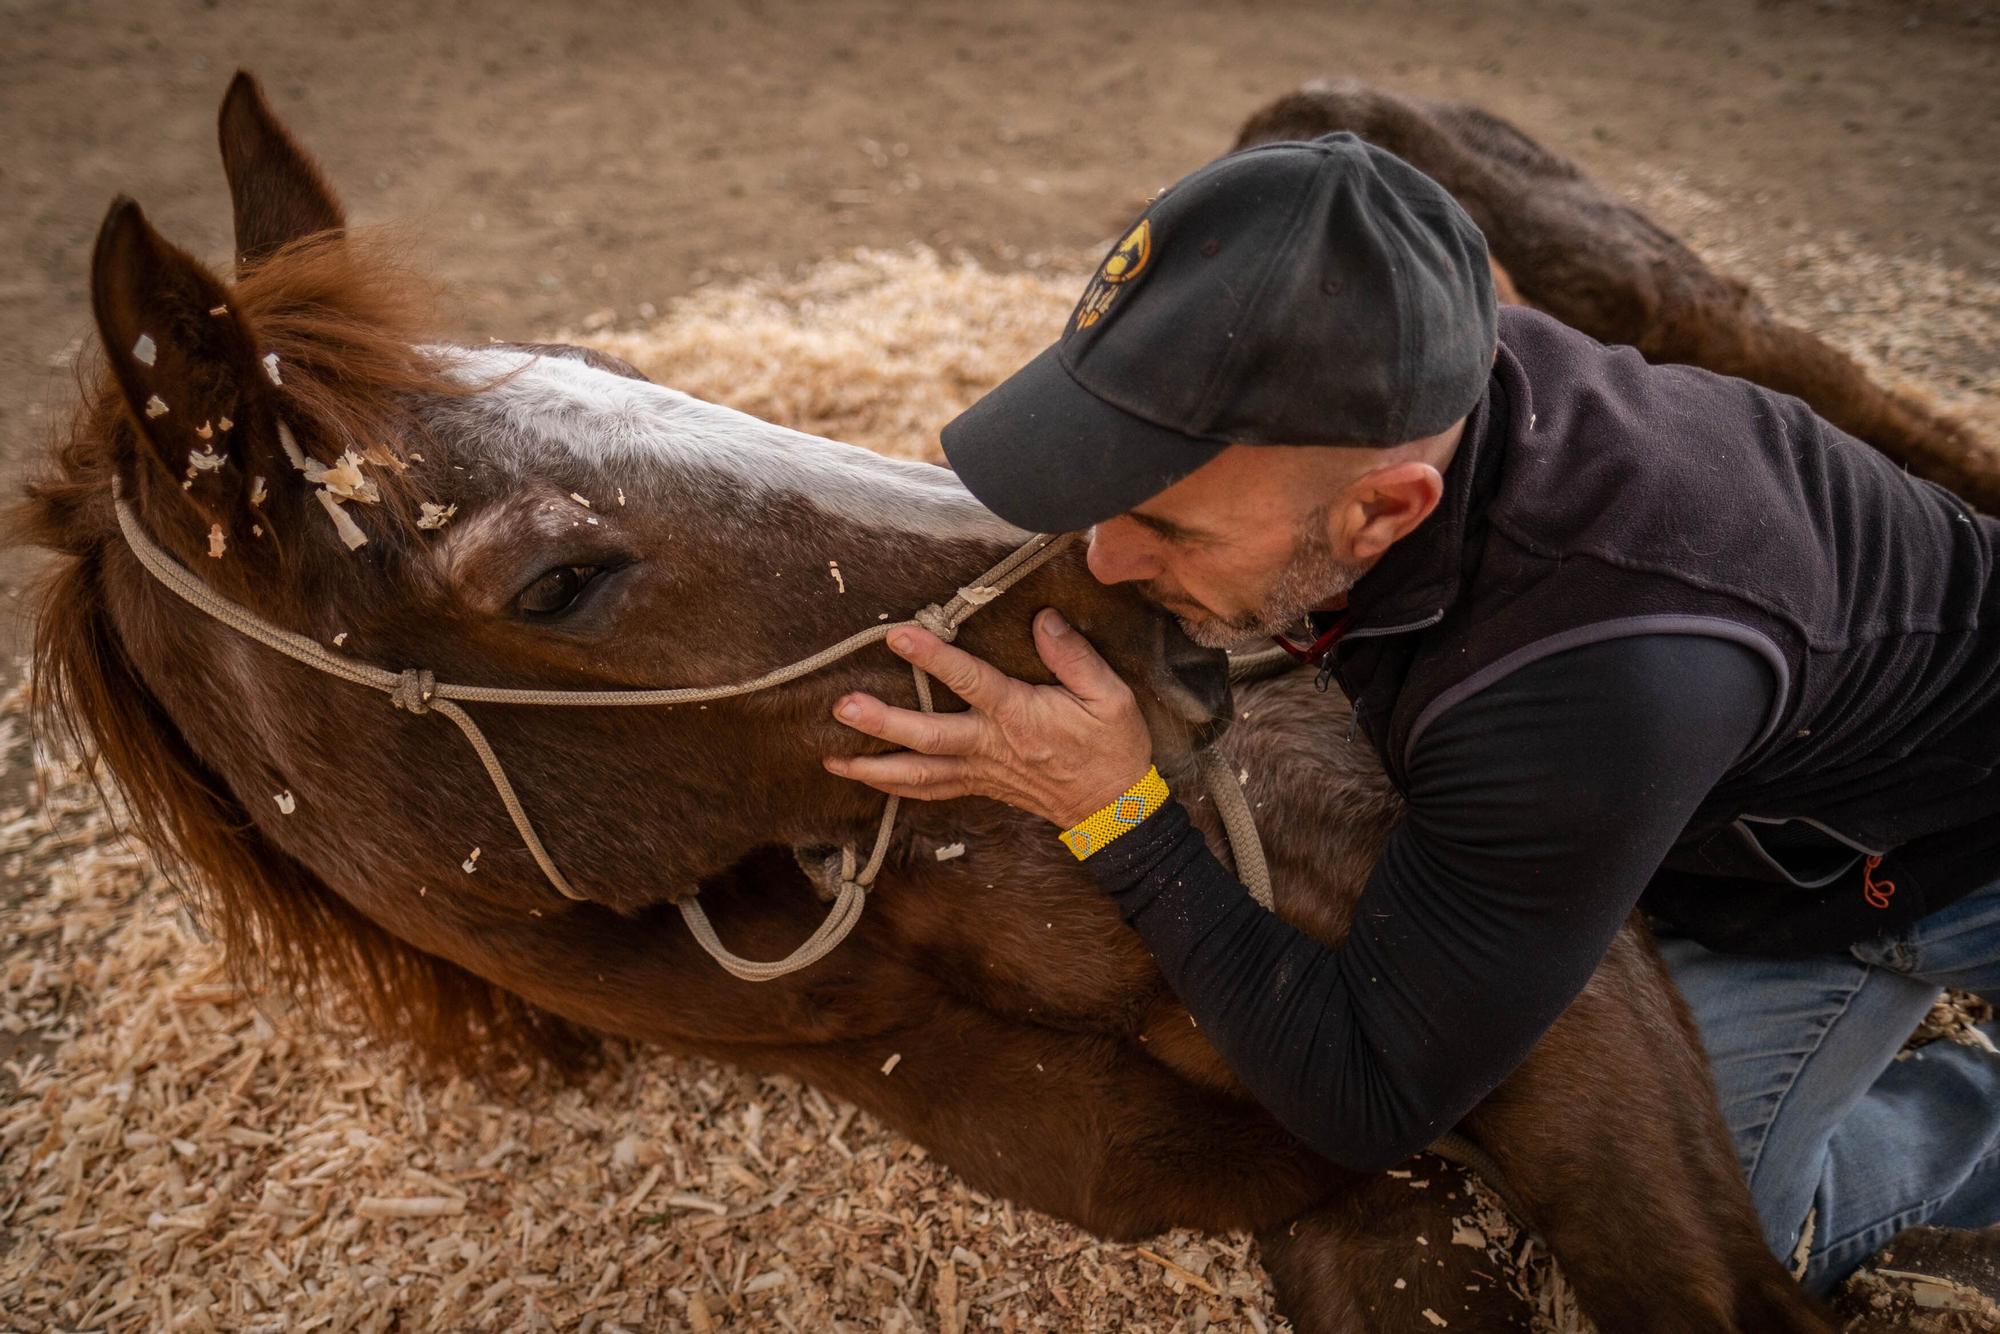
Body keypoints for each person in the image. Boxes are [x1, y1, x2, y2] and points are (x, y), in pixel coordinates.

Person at [820, 133, 2000, 1295]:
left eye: (1167, 528)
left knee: (1714, 1230)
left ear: (1384, 513)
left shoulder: (1588, 678)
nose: (1104, 554)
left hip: (1945, 844)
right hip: (1753, 834)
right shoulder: (1415, 375)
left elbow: (1367, 1095)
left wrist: (1112, 809)